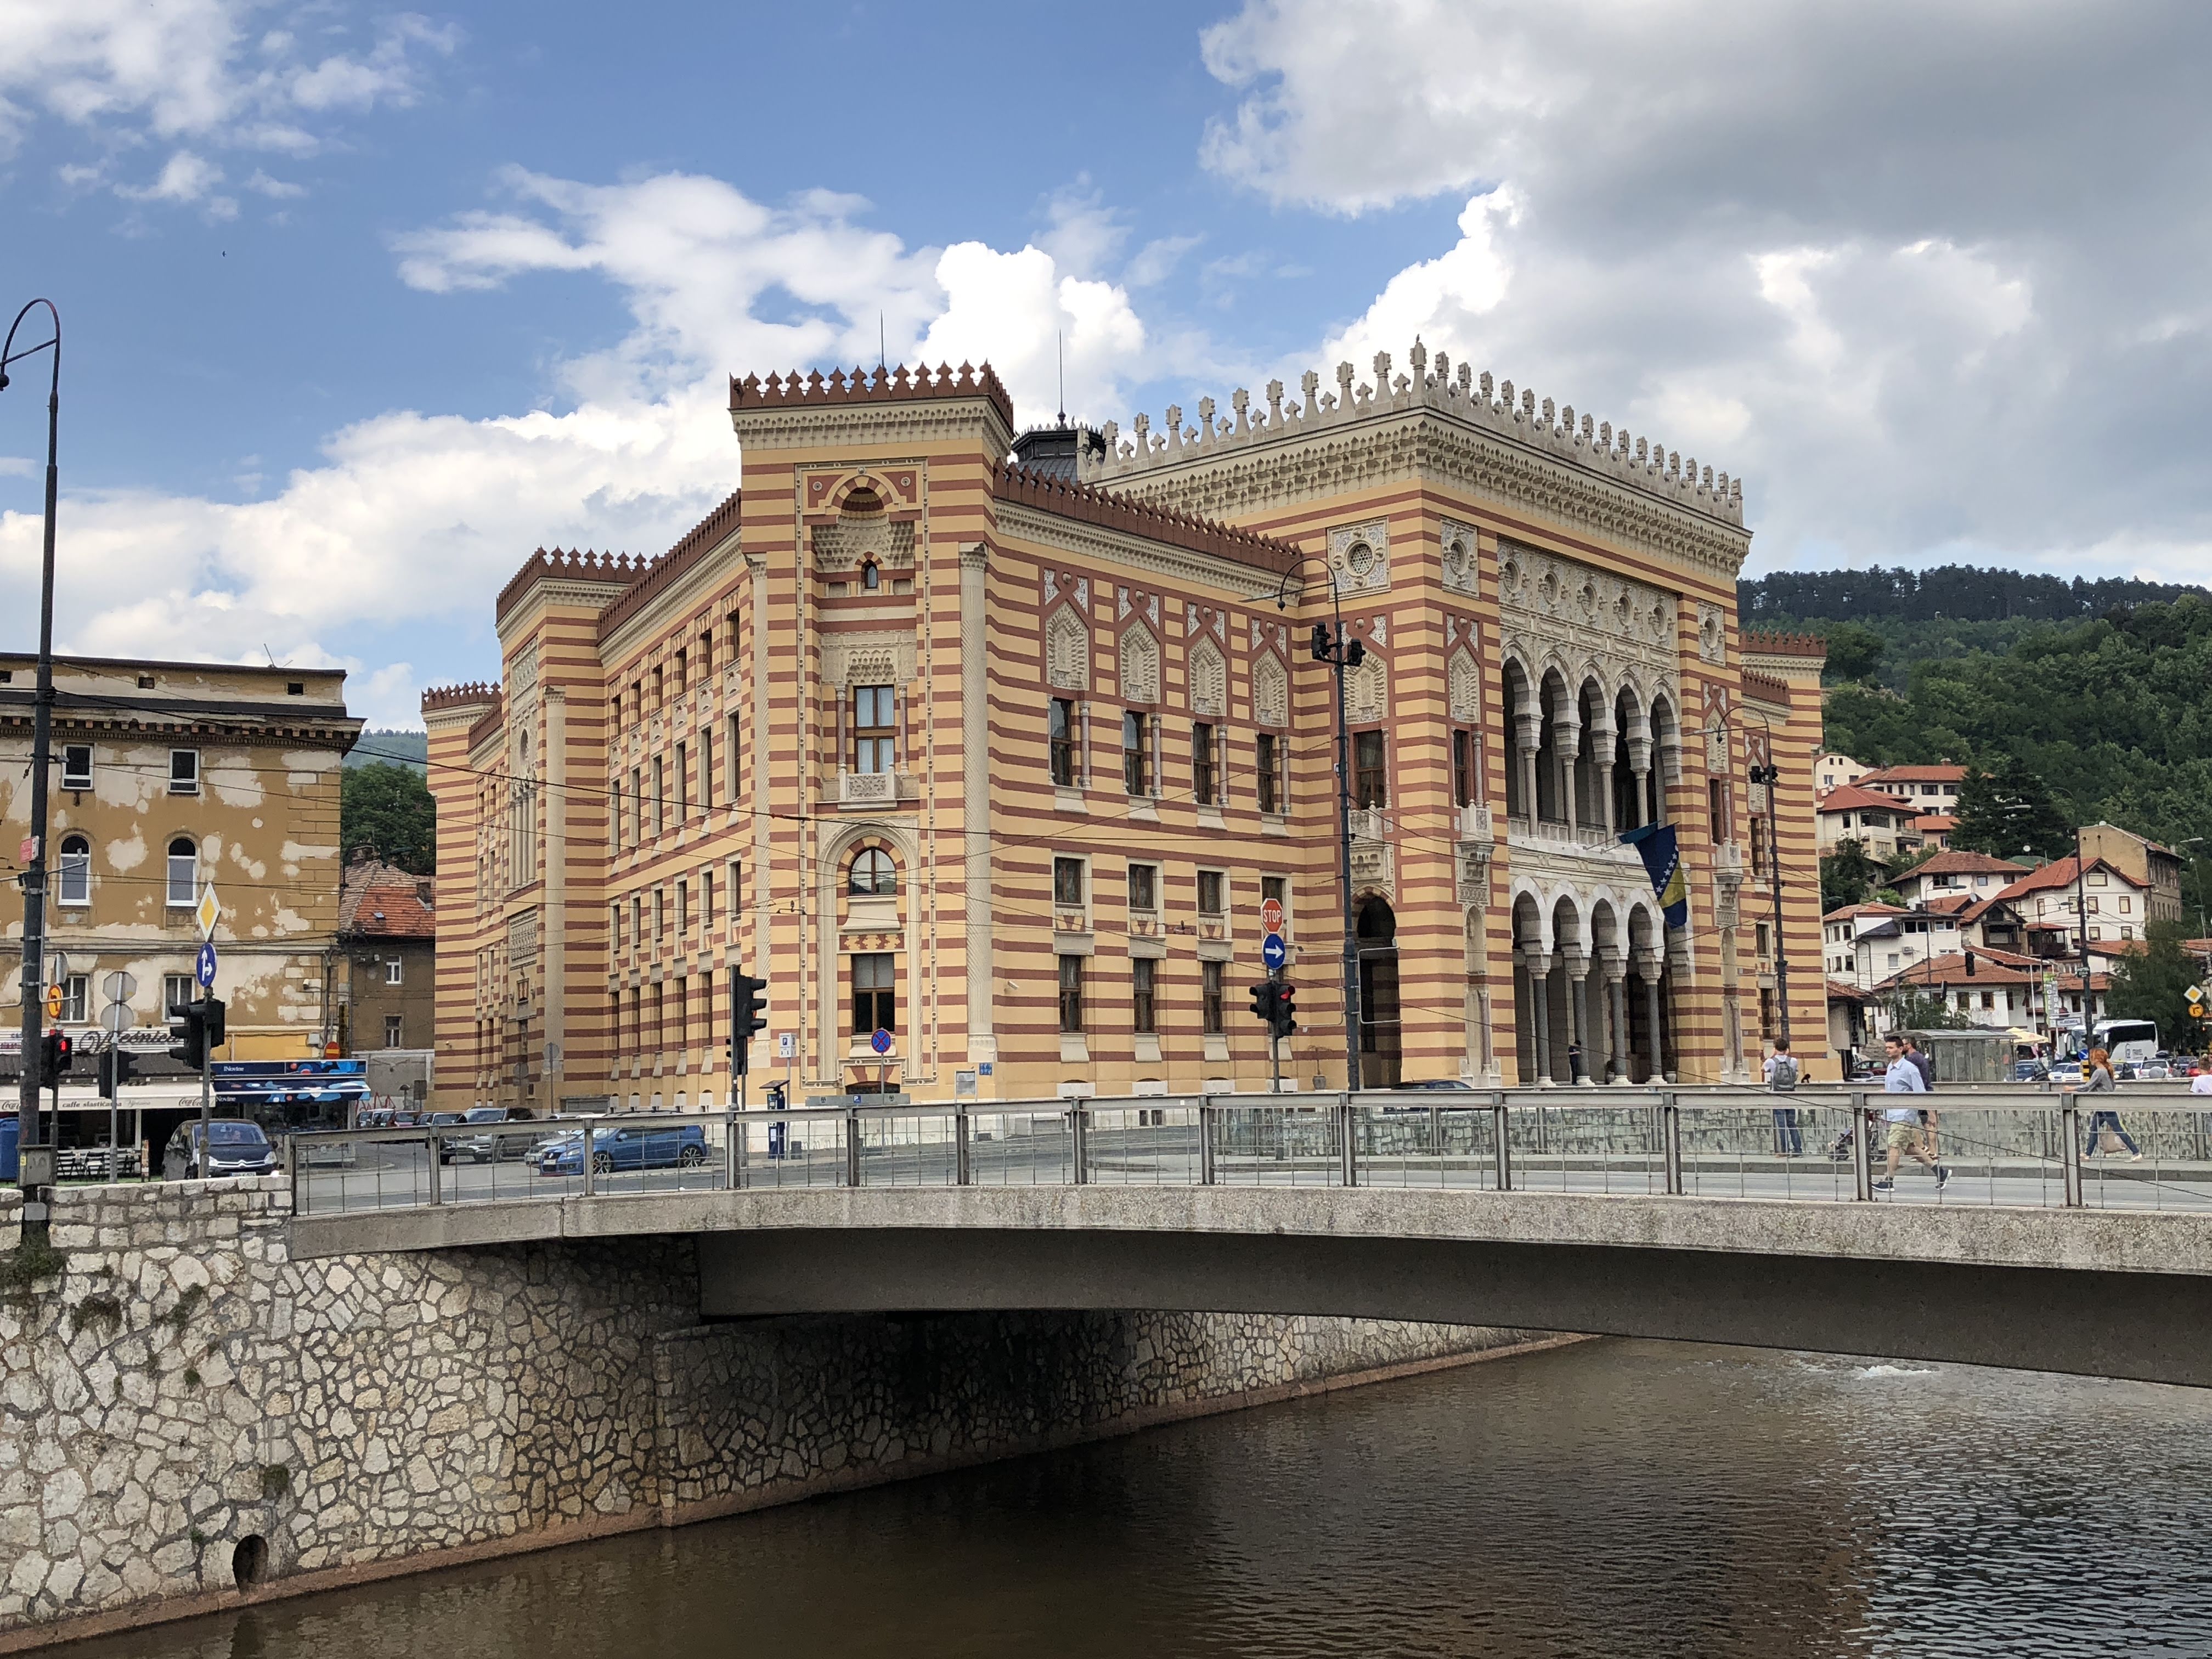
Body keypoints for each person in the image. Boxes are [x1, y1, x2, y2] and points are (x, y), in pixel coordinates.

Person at [1874, 1034, 1948, 1192]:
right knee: (1909, 1148)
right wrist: (1885, 1093)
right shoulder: (1891, 1067)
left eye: (1891, 1047)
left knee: (1893, 1146)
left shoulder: (1910, 1069)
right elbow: (1897, 1089)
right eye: (1886, 1047)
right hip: (1893, 1114)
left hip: (1904, 1115)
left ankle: (1889, 1181)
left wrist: (1931, 1114)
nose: (1888, 1050)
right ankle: (1940, 1172)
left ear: (1900, 1049)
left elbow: (1921, 1093)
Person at [2075, 1048, 2141, 1160]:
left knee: (2118, 1130)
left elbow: (2087, 1087)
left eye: (2091, 1057)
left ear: (2096, 1059)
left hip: (2105, 1106)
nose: (2090, 1059)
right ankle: (2088, 1154)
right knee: (2094, 1129)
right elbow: (2111, 1087)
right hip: (2103, 1106)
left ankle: (2136, 1152)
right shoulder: (2106, 1070)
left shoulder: (2100, 1072)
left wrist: (2071, 1089)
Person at [1763, 1038, 1802, 1155]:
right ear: (1787, 1049)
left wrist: (1772, 1055)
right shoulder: (1793, 1061)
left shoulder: (1771, 1062)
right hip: (1790, 1095)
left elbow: (1763, 1069)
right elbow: (1795, 1073)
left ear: (1775, 1048)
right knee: (1792, 1123)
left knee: (1781, 1125)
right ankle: (1798, 1150)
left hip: (1777, 1095)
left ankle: (1784, 1151)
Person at [1903, 1034, 1939, 1156]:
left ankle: (1929, 1152)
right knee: (1928, 1124)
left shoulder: (1912, 1060)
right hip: (1926, 1093)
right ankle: (1930, 1152)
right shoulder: (1919, 1058)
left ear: (1908, 1045)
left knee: (1927, 1124)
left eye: (1902, 1045)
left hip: (1921, 1095)